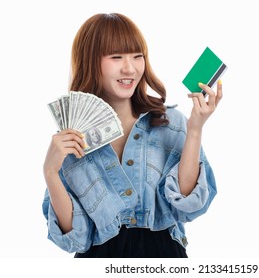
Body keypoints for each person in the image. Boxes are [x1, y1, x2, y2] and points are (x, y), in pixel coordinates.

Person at [42, 13, 223, 258]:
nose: (130, 68)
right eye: (116, 57)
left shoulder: (171, 123)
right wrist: (51, 172)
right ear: (90, 61)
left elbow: (186, 205)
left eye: (137, 56)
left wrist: (195, 129)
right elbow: (75, 238)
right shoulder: (71, 139)